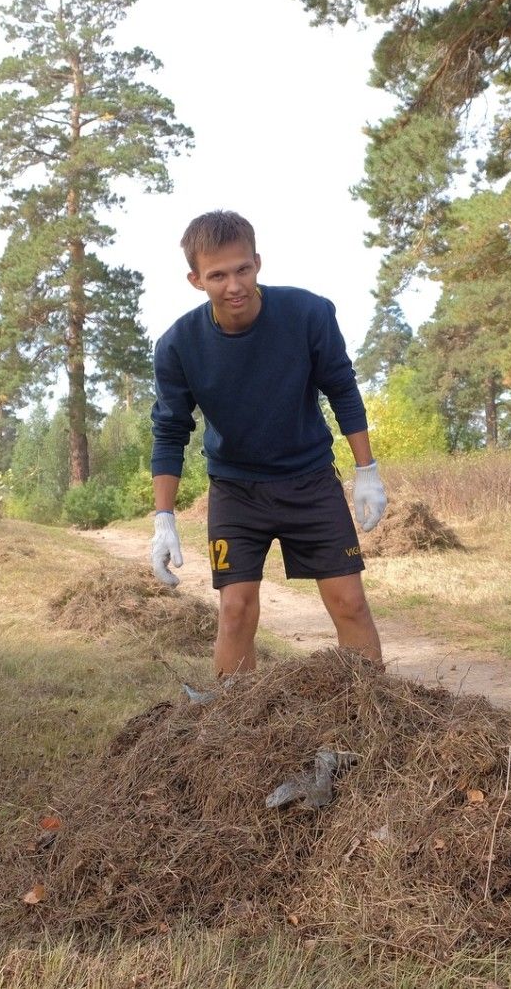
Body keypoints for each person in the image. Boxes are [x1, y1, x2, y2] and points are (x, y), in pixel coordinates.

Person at [148, 210, 387, 679]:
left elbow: (342, 389)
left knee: (351, 603)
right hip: (236, 491)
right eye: (217, 275)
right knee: (235, 609)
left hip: (310, 482)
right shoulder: (178, 346)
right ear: (196, 279)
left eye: (242, 269)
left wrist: (367, 471)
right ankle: (232, 733)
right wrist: (164, 518)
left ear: (257, 262)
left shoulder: (308, 314)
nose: (233, 285)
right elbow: (170, 430)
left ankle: (369, 721)